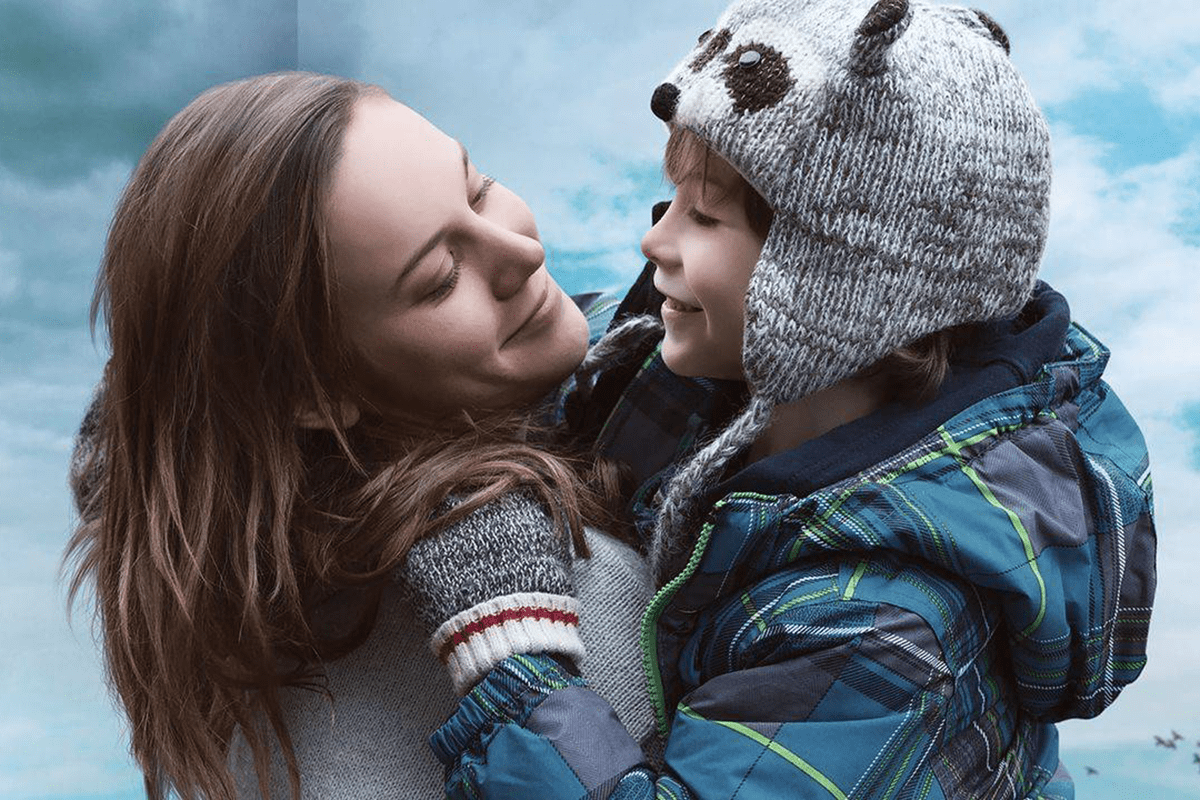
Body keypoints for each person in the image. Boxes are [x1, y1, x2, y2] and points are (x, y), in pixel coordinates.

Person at [408, 1, 1159, 798]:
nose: (654, 241)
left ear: (842, 282)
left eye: (703, 216)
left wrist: (510, 651)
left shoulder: (877, 622)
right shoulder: (717, 382)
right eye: (671, 201)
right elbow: (577, 348)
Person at [65, 71, 658, 800]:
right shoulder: (555, 591)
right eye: (440, 278)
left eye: (478, 189)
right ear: (317, 395)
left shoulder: (238, 654)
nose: (520, 253)